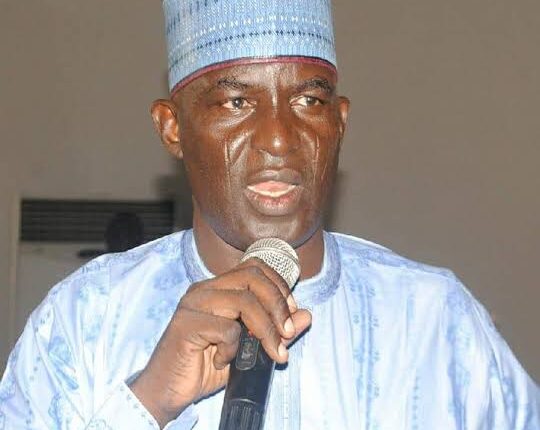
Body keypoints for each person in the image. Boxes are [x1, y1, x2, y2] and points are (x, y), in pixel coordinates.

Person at [1, 0, 539, 429]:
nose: (279, 139)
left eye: (309, 101)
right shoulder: (85, 319)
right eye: (236, 103)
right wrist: (147, 402)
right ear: (172, 128)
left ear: (340, 123)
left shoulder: (434, 323)